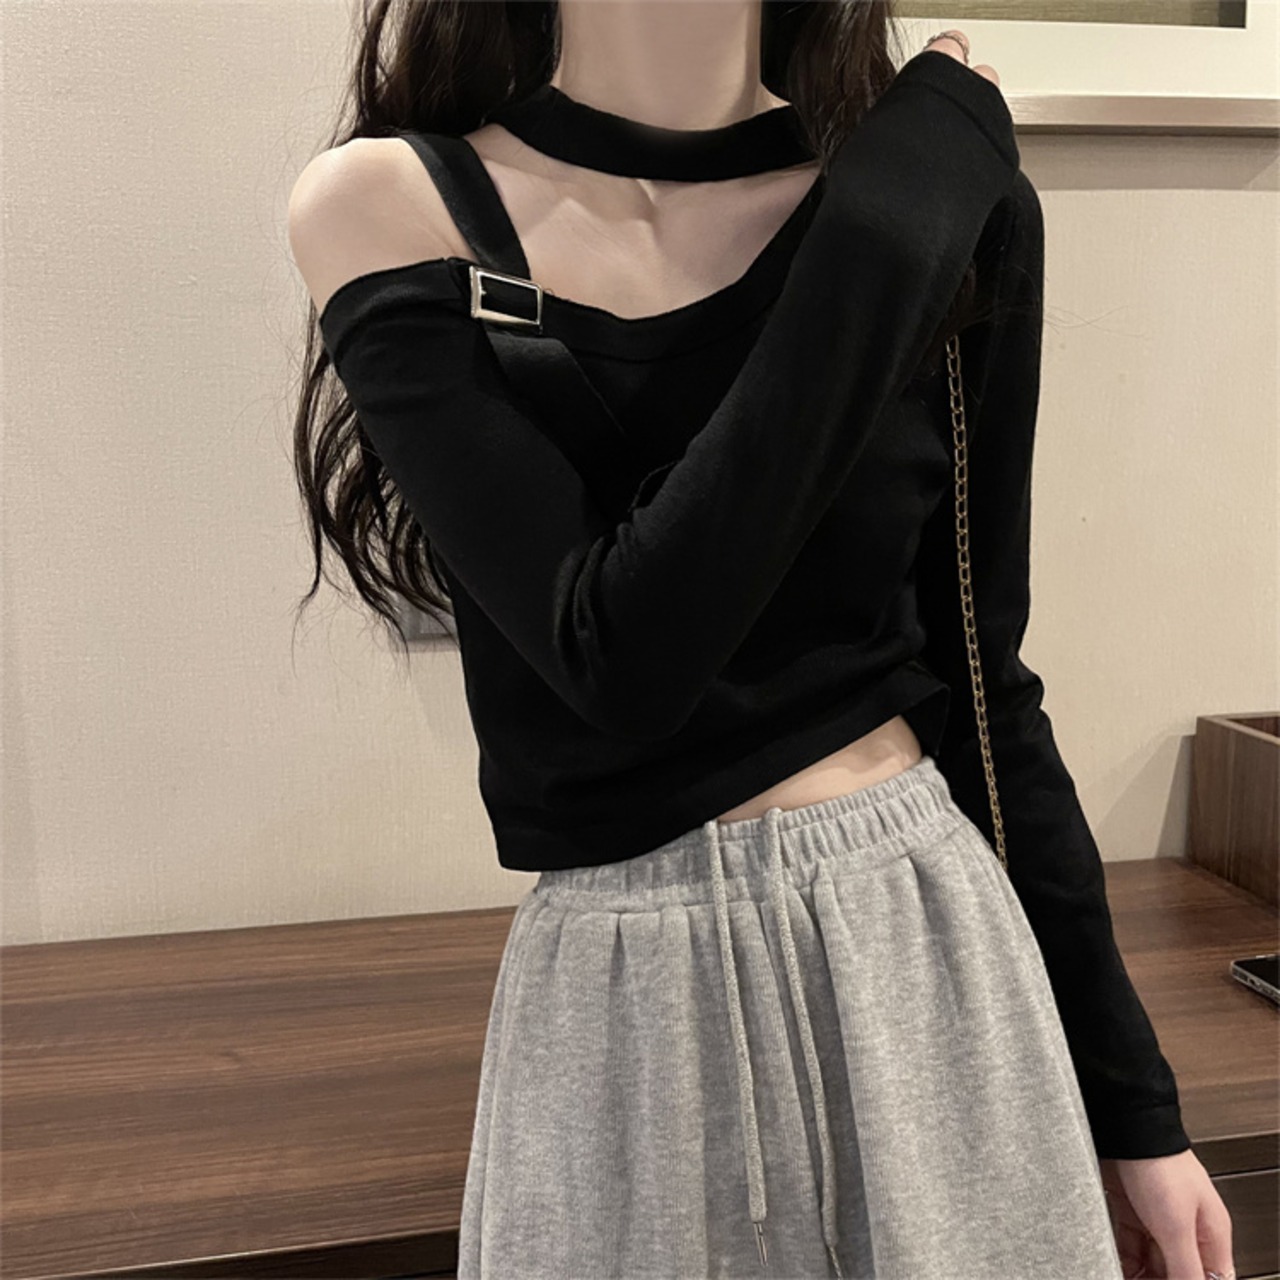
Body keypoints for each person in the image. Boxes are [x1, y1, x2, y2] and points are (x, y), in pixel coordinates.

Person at [287, 2, 1235, 1276]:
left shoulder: (947, 195)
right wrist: (886, 224)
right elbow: (621, 652)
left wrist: (1133, 1105)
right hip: (628, 1000)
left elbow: (982, 680)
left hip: (930, 953)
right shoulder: (392, 209)